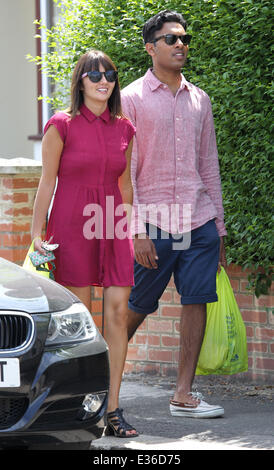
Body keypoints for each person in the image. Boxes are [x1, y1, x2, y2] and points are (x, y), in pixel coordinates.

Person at [121, 10, 227, 418]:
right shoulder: (130, 98)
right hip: (153, 221)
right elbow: (125, 170)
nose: (181, 44)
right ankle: (95, 386)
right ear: (151, 48)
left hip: (197, 219)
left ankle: (184, 395)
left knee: (197, 300)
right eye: (171, 39)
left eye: (184, 38)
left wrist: (217, 226)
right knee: (135, 306)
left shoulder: (201, 99)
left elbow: (210, 165)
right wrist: (134, 230)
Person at [31, 49, 138, 437]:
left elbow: (126, 185)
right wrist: (36, 234)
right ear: (80, 82)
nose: (103, 81)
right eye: (94, 75)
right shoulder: (61, 125)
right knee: (78, 317)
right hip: (73, 224)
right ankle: (79, 407)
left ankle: (112, 409)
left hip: (113, 226)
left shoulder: (125, 128)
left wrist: (129, 231)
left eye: (109, 74)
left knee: (117, 315)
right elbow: (47, 182)